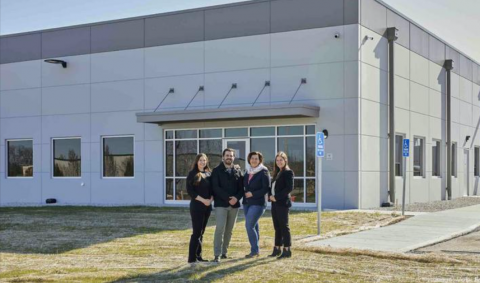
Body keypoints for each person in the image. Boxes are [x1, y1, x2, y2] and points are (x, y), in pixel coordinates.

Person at [211, 148, 244, 263]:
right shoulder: (216, 170)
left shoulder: (238, 170)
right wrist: (227, 198)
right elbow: (215, 187)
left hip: (234, 205)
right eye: (227, 155)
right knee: (220, 228)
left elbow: (242, 188)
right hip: (221, 204)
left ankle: (224, 252)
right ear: (223, 157)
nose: (229, 157)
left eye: (231, 155)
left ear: (234, 158)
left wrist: (236, 198)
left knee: (229, 230)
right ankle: (217, 254)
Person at [186, 153, 213, 264]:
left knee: (202, 232)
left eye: (204, 160)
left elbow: (212, 190)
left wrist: (210, 200)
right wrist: (203, 200)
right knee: (196, 232)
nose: (202, 162)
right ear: (197, 161)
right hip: (197, 207)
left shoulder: (208, 174)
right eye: (200, 160)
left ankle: (199, 256)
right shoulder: (192, 174)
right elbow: (190, 191)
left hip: (207, 207)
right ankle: (192, 258)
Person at [243, 151, 270, 258]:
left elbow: (265, 188)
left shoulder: (263, 172)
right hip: (247, 203)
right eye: (252, 158)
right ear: (249, 160)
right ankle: (256, 249)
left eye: (256, 159)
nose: (254, 160)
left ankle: (254, 250)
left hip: (258, 203)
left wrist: (252, 194)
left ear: (260, 160)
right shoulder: (248, 171)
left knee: (249, 226)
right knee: (254, 226)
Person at [268, 151, 294, 259]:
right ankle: (277, 248)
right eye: (277, 160)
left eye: (281, 160)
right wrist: (270, 195)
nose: (279, 162)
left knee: (284, 226)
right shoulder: (277, 172)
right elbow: (272, 187)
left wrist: (277, 197)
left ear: (285, 160)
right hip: (274, 203)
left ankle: (287, 249)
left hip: (282, 203)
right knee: (277, 227)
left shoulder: (288, 172)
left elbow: (289, 188)